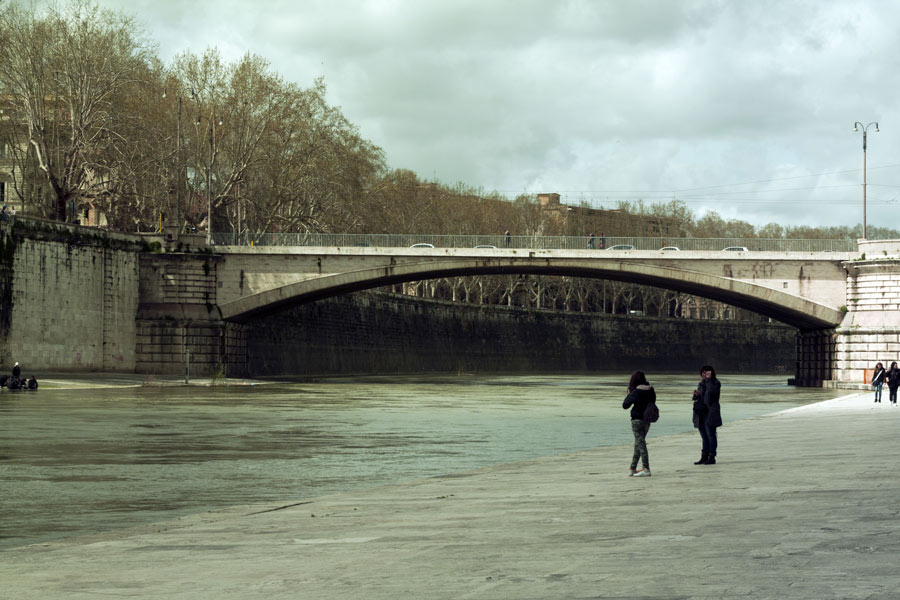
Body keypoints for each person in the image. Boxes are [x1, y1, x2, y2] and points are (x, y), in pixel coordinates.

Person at [623, 370, 655, 477]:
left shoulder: (636, 392)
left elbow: (625, 405)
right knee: (639, 443)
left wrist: (629, 395)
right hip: (647, 419)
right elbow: (653, 402)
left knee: (640, 444)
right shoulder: (651, 390)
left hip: (637, 419)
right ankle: (632, 468)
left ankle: (646, 468)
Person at [692, 365, 722, 465]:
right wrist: (696, 395)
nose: (704, 375)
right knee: (704, 436)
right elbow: (698, 398)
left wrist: (709, 380)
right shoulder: (701, 384)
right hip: (701, 413)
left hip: (710, 413)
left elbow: (711, 395)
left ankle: (711, 456)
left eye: (707, 373)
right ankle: (704, 456)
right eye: (703, 373)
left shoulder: (715, 383)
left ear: (711, 373)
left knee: (711, 435)